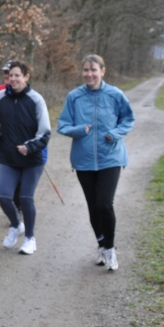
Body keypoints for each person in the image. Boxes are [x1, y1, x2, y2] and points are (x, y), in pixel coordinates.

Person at [57, 54, 135, 271]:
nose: (89, 74)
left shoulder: (115, 94)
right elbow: (63, 125)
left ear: (103, 71)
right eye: (85, 70)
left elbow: (128, 118)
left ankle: (110, 249)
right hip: (84, 160)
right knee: (93, 206)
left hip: (111, 156)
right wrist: (79, 130)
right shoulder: (74, 97)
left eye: (93, 70)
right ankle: (101, 245)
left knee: (104, 204)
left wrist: (115, 133)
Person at [0, 61, 51, 255]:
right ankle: (16, 225)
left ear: (26, 77)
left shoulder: (36, 100)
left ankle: (30, 239)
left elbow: (45, 132)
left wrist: (29, 147)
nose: (13, 79)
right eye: (10, 75)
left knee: (25, 197)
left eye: (17, 75)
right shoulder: (0, 98)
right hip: (8, 156)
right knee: (4, 196)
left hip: (33, 158)